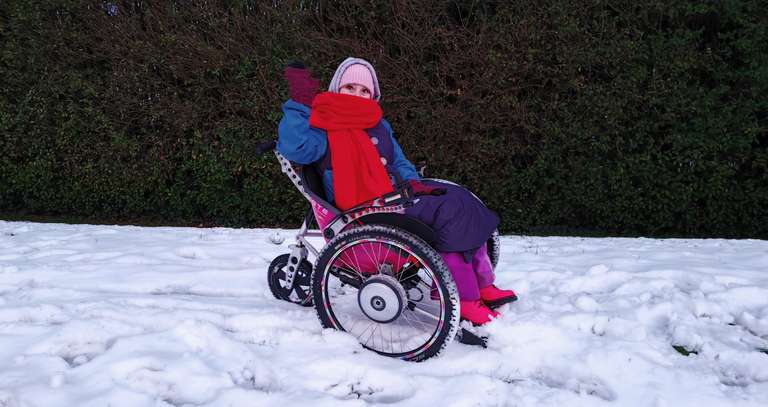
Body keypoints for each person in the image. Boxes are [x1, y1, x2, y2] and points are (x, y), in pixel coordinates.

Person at [277, 57, 517, 325]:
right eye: (350, 87)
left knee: (461, 200)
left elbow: (399, 162)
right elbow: (295, 148)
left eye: (365, 90)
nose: (358, 94)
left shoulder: (379, 124)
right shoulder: (322, 125)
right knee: (449, 212)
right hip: (364, 210)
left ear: (374, 95)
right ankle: (465, 299)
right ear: (336, 89)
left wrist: (415, 184)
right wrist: (299, 104)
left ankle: (483, 284)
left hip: (396, 195)